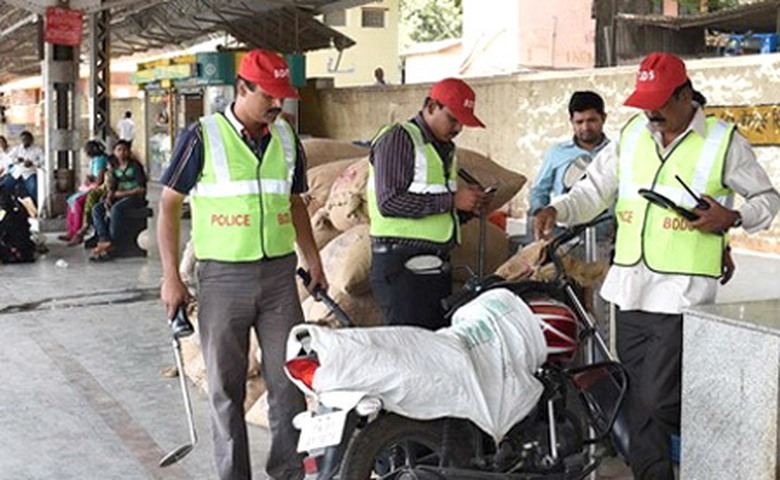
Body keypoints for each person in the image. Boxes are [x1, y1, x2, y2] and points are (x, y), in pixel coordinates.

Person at [534, 52, 780, 479]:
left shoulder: (722, 140)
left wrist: (732, 218)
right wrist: (557, 208)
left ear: (686, 95)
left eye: (661, 102)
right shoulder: (632, 135)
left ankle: (734, 421)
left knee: (655, 401)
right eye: (645, 102)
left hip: (681, 292)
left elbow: (768, 200)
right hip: (630, 287)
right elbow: (593, 191)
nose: (651, 112)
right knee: (637, 398)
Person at [158, 49, 327, 480]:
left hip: (278, 277)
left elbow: (295, 204)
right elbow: (169, 205)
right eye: (269, 95)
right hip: (221, 279)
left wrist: (314, 260)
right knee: (226, 389)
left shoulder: (287, 138)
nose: (278, 105)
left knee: (289, 380)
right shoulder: (202, 136)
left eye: (283, 97)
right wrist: (171, 277)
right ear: (242, 88)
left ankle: (288, 471)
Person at [368, 77, 489, 331]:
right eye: (453, 119)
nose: (457, 129)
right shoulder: (399, 139)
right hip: (401, 268)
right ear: (432, 106)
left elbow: (435, 209)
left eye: (462, 123)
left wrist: (467, 208)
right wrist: (453, 200)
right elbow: (389, 202)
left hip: (433, 266)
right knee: (410, 352)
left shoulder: (444, 149)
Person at [529, 91, 610, 216]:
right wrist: (541, 212)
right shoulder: (557, 152)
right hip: (564, 229)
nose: (585, 127)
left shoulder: (615, 151)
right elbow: (539, 190)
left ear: (604, 118)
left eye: (591, 120)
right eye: (579, 122)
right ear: (571, 121)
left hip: (606, 228)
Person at [90, 140, 146, 261]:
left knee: (116, 210)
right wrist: (109, 197)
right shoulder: (114, 168)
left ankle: (114, 243)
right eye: (119, 150)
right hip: (118, 197)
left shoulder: (135, 166)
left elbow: (141, 189)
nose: (122, 153)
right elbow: (112, 187)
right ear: (114, 152)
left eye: (124, 149)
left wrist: (122, 193)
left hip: (134, 198)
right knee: (97, 209)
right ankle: (104, 239)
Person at [59, 140, 109, 245]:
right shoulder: (93, 160)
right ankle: (71, 231)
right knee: (70, 200)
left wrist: (92, 179)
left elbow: (100, 180)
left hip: (98, 188)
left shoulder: (101, 160)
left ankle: (77, 232)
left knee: (77, 202)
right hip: (91, 186)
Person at [4, 131, 43, 205]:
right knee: (5, 185)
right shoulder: (17, 149)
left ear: (31, 140)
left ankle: (36, 206)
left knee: (33, 189)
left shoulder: (37, 150)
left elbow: (43, 161)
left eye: (27, 139)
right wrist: (16, 160)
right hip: (17, 173)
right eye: (23, 139)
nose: (25, 141)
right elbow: (8, 158)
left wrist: (32, 163)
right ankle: (8, 205)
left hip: (29, 172)